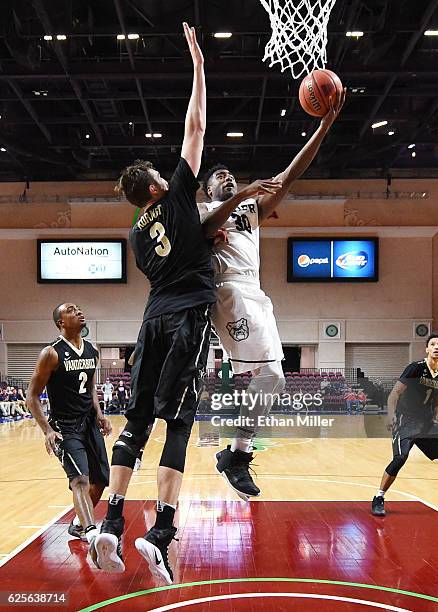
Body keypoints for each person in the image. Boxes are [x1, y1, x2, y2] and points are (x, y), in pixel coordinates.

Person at [92, 22, 281, 582]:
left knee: (136, 424)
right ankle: (161, 531)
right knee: (177, 424)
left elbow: (188, 241)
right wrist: (198, 63)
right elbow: (194, 124)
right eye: (160, 172)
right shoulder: (176, 196)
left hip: (148, 320)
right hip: (185, 321)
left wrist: (206, 231)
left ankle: (111, 522)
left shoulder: (134, 234)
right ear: (154, 185)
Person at [200, 90, 345, 500]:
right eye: (219, 177)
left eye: (231, 175)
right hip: (228, 292)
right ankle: (238, 454)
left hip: (254, 294)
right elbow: (205, 230)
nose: (228, 178)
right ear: (206, 189)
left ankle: (236, 453)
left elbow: (290, 175)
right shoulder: (204, 212)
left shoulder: (250, 213)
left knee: (273, 377)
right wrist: (243, 193)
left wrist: (323, 127)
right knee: (272, 375)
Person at [26, 303, 112, 556]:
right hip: (65, 426)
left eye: (79, 308)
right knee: (80, 480)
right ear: (61, 322)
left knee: (101, 480)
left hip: (88, 422)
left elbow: (91, 386)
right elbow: (31, 396)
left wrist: (99, 413)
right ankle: (92, 533)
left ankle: (77, 525)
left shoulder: (92, 350)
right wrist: (47, 431)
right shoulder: (51, 353)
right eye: (71, 310)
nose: (79, 311)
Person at [372, 334, 438, 516]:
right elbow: (394, 394)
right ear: (427, 349)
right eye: (433, 344)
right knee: (400, 458)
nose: (436, 347)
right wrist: (391, 416)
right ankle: (379, 497)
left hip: (427, 425)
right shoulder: (415, 369)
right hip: (405, 421)